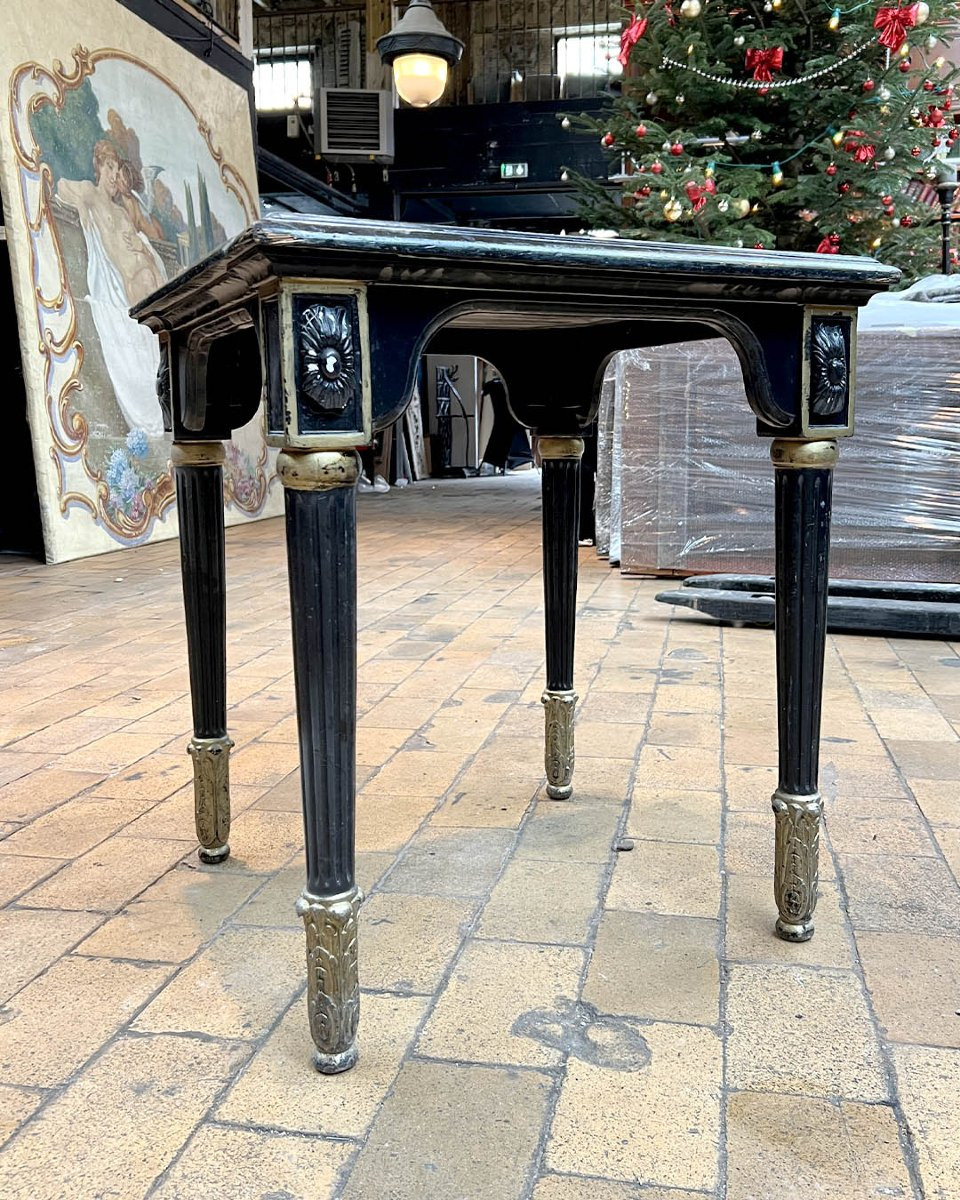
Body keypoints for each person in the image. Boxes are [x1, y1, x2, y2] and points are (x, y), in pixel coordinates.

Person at [56, 140, 167, 435]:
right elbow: (63, 185)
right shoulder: (92, 194)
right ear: (99, 168)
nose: (114, 175)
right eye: (109, 167)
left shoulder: (122, 212)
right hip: (129, 284)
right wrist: (80, 203)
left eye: (116, 169)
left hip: (144, 277)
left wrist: (141, 247)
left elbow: (142, 242)